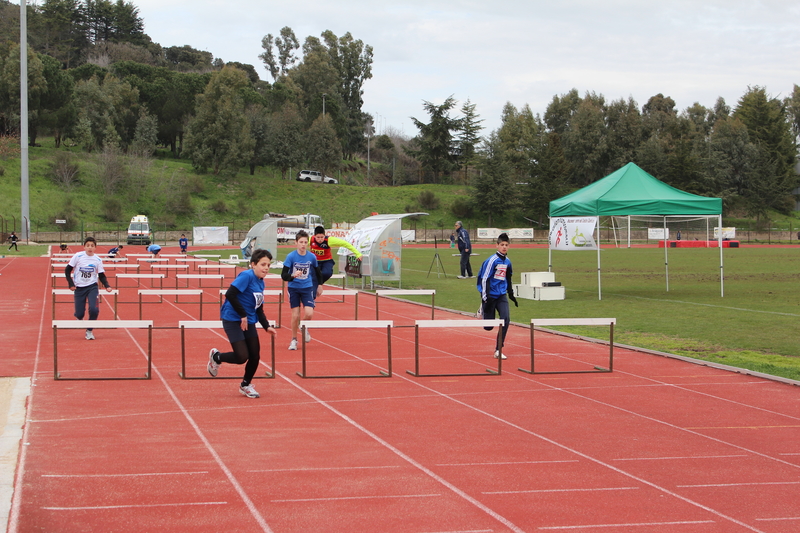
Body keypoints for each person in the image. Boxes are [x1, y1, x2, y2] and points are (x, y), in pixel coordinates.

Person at [207, 248, 278, 398]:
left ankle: (245, 385)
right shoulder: (246, 276)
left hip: (249, 320)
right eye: (263, 264)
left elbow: (259, 308)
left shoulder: (261, 283)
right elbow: (230, 294)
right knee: (241, 357)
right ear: (253, 264)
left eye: (268, 265)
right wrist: (242, 315)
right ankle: (216, 357)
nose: (266, 268)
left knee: (254, 355)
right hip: (232, 318)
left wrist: (266, 326)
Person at [476, 232, 518, 359]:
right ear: (497, 246)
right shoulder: (492, 261)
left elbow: (509, 277)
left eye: (506, 245)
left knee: (505, 319)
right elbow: (484, 279)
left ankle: (498, 350)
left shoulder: (508, 262)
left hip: (501, 295)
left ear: (509, 246)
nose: (504, 247)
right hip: (490, 295)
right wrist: (485, 297)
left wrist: (510, 293)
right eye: (502, 245)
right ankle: (482, 309)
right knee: (488, 327)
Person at [281, 230, 324, 351]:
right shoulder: (291, 256)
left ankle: (302, 326)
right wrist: (293, 276)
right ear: (296, 242)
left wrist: (320, 285)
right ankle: (294, 339)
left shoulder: (311, 257)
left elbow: (317, 272)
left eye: (305, 242)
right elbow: (283, 275)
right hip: (294, 288)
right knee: (295, 315)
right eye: (301, 242)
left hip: (307, 287)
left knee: (309, 313)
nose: (303, 244)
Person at [64, 236, 113, 340]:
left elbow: (101, 275)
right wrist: (71, 284)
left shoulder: (98, 260)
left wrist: (107, 285)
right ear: (84, 247)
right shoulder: (78, 256)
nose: (90, 248)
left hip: (92, 287)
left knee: (94, 309)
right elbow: (67, 270)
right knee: (80, 314)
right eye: (88, 245)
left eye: (92, 246)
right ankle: (78, 316)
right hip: (79, 288)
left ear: (95, 247)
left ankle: (89, 331)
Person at [309, 226, 362, 292]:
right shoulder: (310, 240)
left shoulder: (329, 240)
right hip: (315, 261)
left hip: (326, 261)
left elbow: (345, 244)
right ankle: (312, 289)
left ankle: (317, 285)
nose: (320, 239)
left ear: (324, 235)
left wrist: (358, 254)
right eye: (318, 237)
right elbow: (301, 245)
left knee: (327, 273)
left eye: (322, 237)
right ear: (314, 236)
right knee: (312, 275)